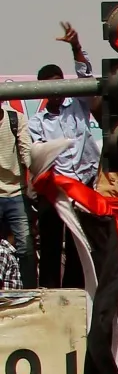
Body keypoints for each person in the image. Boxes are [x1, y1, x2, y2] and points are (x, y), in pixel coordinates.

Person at [31, 24, 100, 286]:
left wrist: (76, 47)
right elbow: (40, 157)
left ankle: (76, 290)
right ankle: (49, 292)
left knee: (78, 242)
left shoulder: (78, 105)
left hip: (83, 184)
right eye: (49, 88)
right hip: (55, 188)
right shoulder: (37, 122)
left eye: (59, 85)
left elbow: (86, 76)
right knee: (49, 241)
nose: (57, 92)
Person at [0, 89, 33, 288]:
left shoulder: (15, 119)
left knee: (25, 248)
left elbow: (26, 150)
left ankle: (29, 291)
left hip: (16, 192)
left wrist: (34, 175)